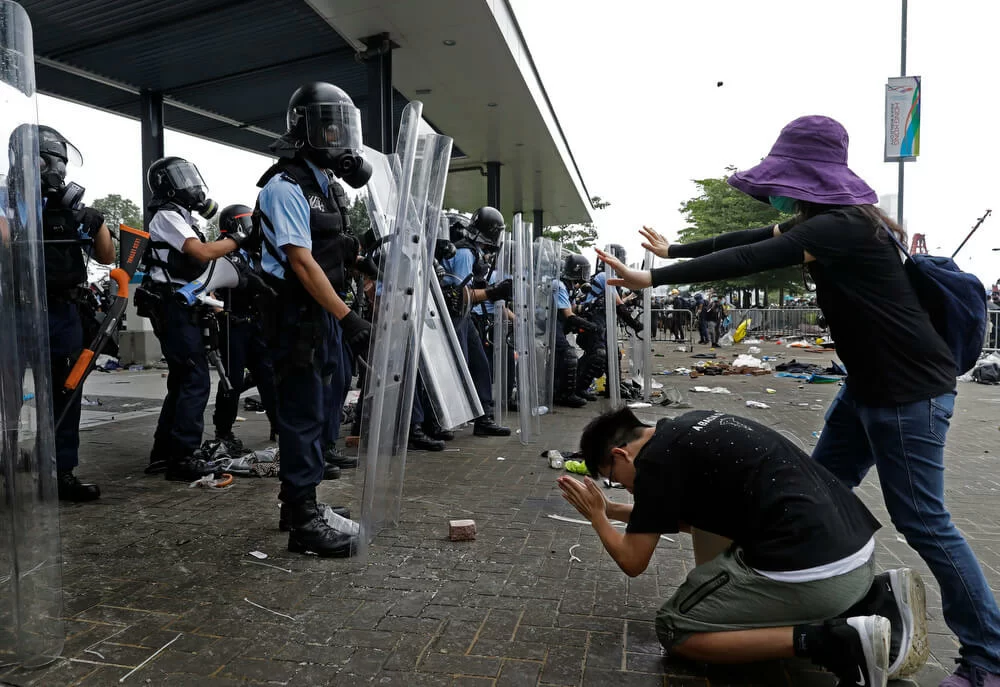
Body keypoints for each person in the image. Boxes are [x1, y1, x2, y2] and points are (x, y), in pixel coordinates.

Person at [598, 115, 1000, 687]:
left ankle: (988, 657)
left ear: (811, 177)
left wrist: (656, 277)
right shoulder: (829, 224)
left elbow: (745, 262)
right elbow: (744, 242)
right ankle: (833, 601)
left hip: (909, 393)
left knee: (924, 521)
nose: (781, 194)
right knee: (812, 491)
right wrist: (676, 246)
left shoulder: (845, 229)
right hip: (867, 388)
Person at [560, 407, 929, 685]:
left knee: (675, 629)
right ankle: (875, 600)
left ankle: (835, 641)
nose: (624, 487)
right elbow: (683, 521)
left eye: (614, 480)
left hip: (816, 577)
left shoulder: (655, 466)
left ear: (621, 455)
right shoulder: (689, 429)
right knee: (715, 535)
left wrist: (597, 517)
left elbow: (632, 560)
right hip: (854, 557)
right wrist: (609, 510)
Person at [255, 82, 372, 557]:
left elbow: (331, 251)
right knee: (303, 413)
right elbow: (301, 263)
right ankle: (303, 523)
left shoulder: (329, 190)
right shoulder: (284, 187)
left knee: (324, 405)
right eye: (331, 128)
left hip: (323, 314)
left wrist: (367, 262)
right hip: (297, 317)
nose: (341, 139)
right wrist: (348, 319)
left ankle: (300, 502)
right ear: (306, 131)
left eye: (345, 128)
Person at [143, 156, 248, 481]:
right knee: (195, 379)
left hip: (179, 304)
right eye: (181, 178)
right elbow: (200, 253)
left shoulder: (182, 218)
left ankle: (165, 452)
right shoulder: (168, 216)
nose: (189, 183)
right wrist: (238, 240)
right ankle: (183, 457)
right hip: (171, 306)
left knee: (180, 380)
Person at [35, 126, 116, 501]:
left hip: (63, 310)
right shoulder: (6, 200)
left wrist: (93, 220)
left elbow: (106, 257)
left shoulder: (71, 209)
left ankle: (61, 472)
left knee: (66, 394)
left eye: (60, 164)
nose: (57, 171)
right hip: (17, 309)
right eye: (50, 162)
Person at [440, 208, 512, 437]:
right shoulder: (465, 253)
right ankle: (441, 419)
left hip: (466, 316)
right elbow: (459, 295)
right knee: (458, 366)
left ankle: (484, 418)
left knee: (480, 365)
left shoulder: (473, 251)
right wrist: (494, 292)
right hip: (456, 315)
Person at [210, 204, 277, 451]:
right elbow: (213, 286)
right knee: (232, 381)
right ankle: (223, 432)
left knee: (268, 376)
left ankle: (279, 425)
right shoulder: (225, 253)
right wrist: (220, 314)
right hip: (233, 323)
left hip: (255, 323)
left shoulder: (255, 253)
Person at [555, 253, 598, 407]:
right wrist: (590, 326)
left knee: (561, 357)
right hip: (551, 325)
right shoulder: (560, 285)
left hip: (558, 325)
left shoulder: (570, 286)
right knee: (568, 355)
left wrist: (587, 305)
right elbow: (569, 315)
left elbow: (571, 307)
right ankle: (565, 395)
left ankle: (562, 390)